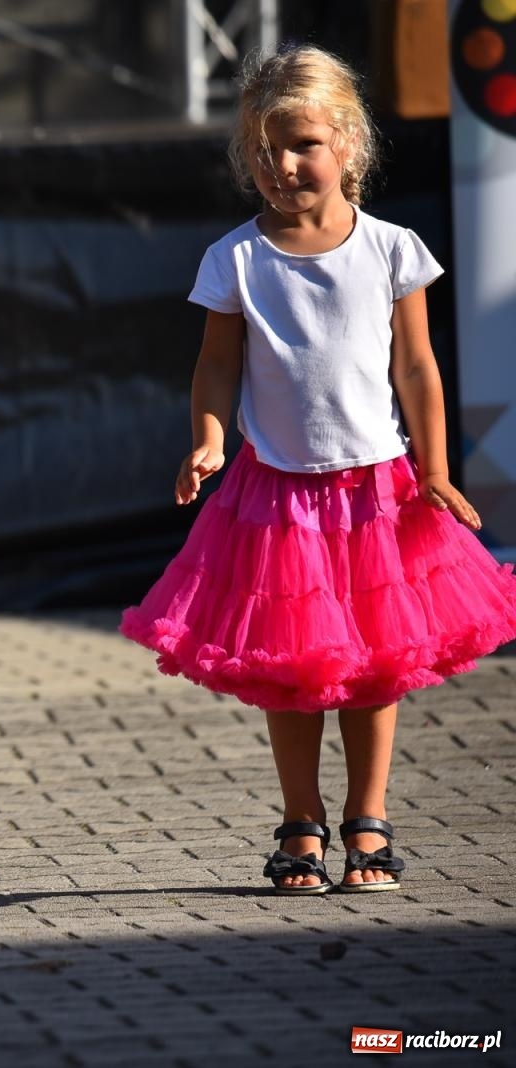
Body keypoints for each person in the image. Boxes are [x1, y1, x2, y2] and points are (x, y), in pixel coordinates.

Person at [120, 46, 516, 897]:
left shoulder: (390, 249)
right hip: (278, 497)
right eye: (263, 151)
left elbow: (416, 368)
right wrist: (210, 439)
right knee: (293, 664)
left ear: (347, 141)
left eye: (301, 143)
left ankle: (366, 821)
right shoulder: (236, 259)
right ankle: (300, 822)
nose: (283, 166)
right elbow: (217, 366)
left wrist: (438, 469)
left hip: (378, 492)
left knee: (379, 660)